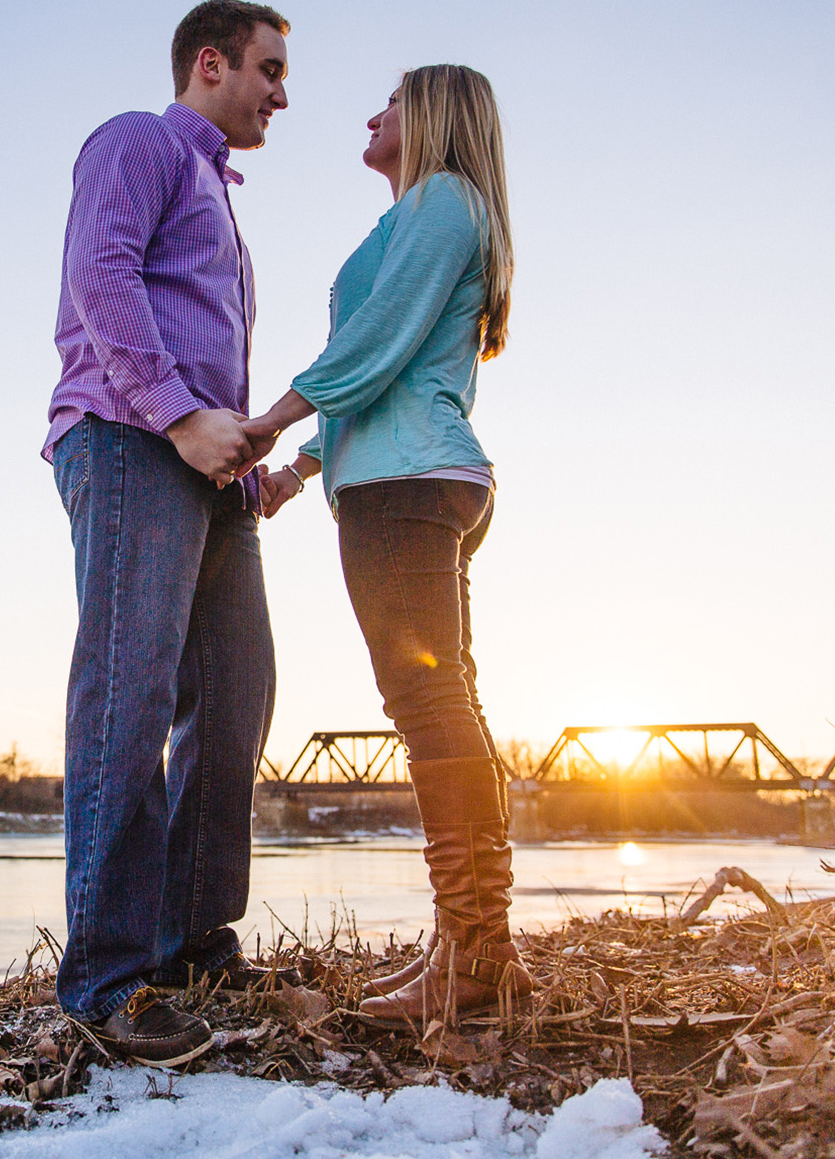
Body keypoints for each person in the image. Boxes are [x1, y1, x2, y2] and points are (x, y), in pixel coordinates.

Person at [244, 64, 531, 1025]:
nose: (371, 115)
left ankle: (476, 964)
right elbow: (390, 369)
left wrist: (273, 422)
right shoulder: (413, 217)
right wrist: (301, 467)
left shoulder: (447, 200)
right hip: (400, 474)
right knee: (445, 697)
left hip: (407, 486)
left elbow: (375, 341)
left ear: (435, 117)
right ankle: (473, 951)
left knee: (426, 701)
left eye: (392, 102)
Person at [43, 0, 294, 1066]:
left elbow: (210, 354)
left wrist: (244, 460)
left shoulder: (226, 209)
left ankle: (191, 938)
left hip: (206, 470)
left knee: (236, 693)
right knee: (128, 688)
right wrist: (182, 415)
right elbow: (100, 276)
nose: (283, 92)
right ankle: (107, 978)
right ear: (210, 62)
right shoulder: (137, 142)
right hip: (128, 437)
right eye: (269, 69)